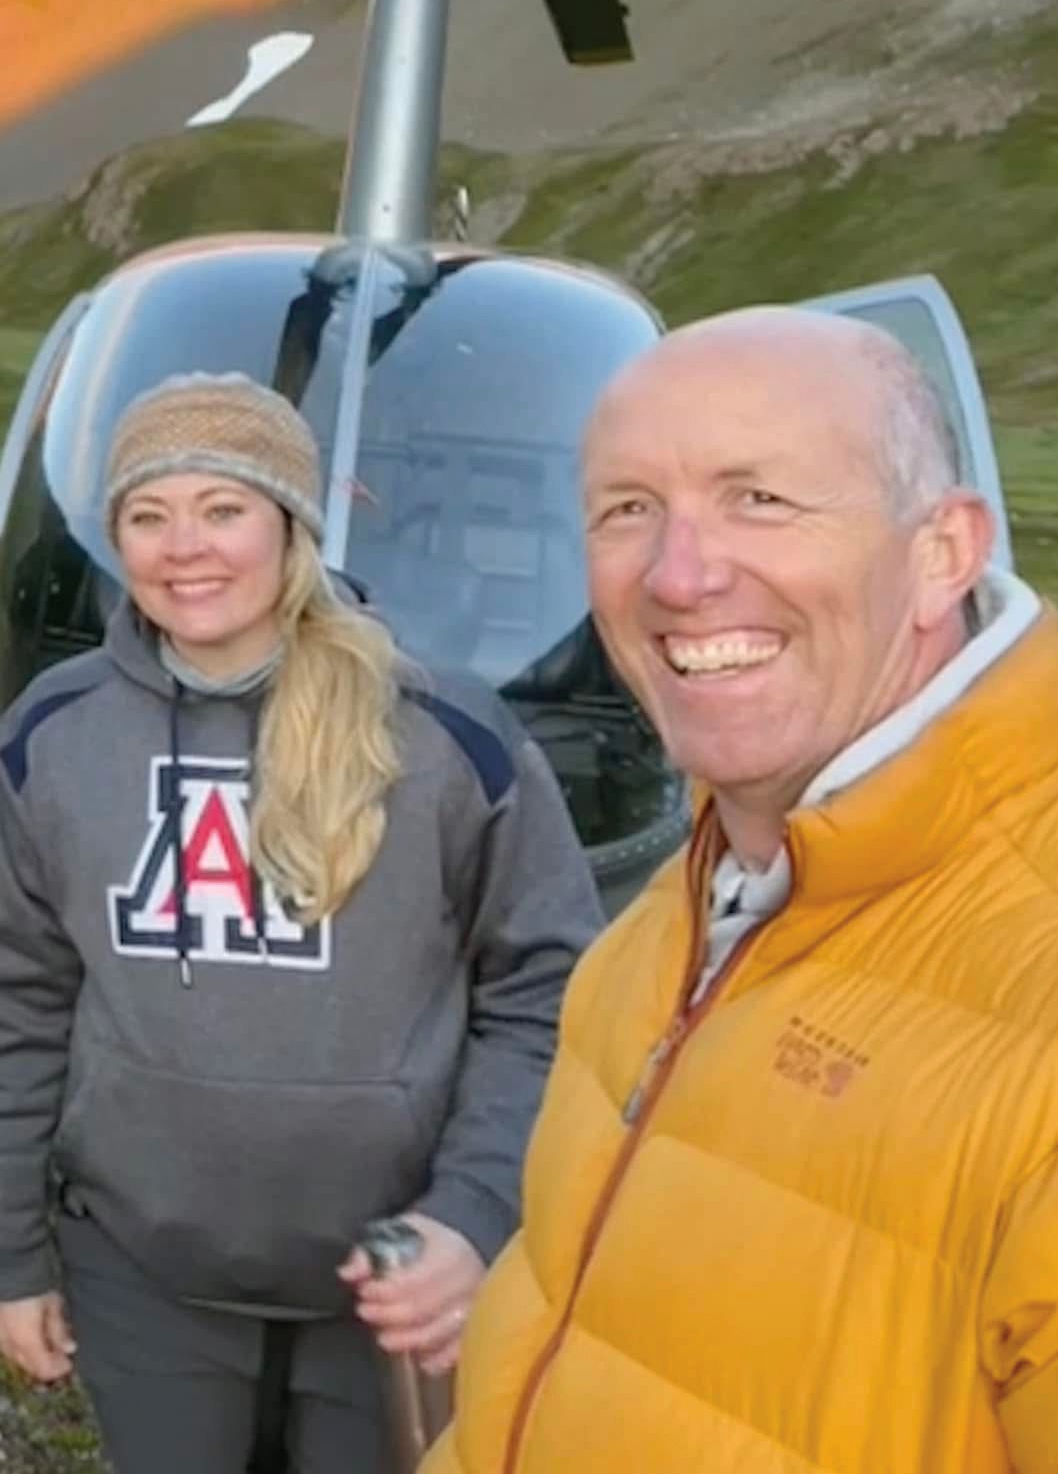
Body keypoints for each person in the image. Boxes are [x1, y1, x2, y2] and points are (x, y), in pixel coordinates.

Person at [422, 306, 1058, 1474]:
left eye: (760, 497)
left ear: (944, 552)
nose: (679, 574)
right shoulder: (684, 909)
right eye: (628, 511)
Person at [0, 371, 604, 1474]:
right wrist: (5, 1254)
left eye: (223, 508)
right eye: (148, 516)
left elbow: (550, 991)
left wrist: (478, 1210)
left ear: (291, 523)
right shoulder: (54, 738)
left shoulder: (447, 737)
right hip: (145, 1273)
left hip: (391, 1276)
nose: (184, 548)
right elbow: (12, 1001)